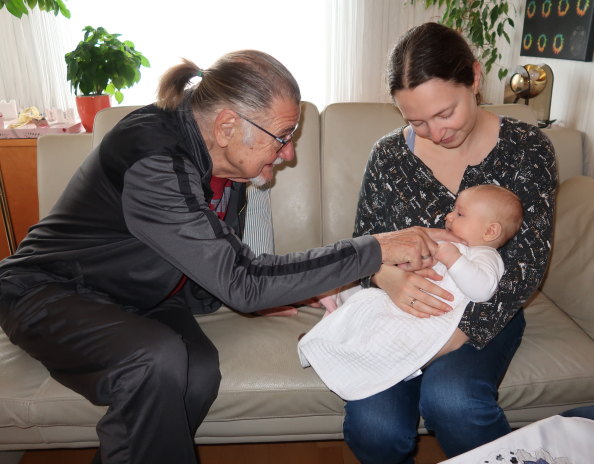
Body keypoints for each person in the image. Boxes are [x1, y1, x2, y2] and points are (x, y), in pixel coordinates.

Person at [0, 50, 451, 464]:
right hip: (49, 291)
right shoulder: (152, 156)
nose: (289, 153)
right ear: (227, 126)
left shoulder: (227, 167)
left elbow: (224, 267)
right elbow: (244, 279)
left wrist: (286, 288)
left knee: (196, 373)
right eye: (282, 137)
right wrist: (376, 248)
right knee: (153, 361)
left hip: (141, 296)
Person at [343, 22, 558, 461]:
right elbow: (364, 244)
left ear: (475, 79)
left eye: (445, 113)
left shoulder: (528, 148)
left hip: (485, 308)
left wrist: (457, 337)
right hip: (399, 314)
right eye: (416, 121)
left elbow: (528, 264)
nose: (436, 132)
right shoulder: (388, 156)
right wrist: (386, 278)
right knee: (373, 425)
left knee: (453, 400)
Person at [298, 184, 523, 401]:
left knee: (381, 330)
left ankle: (332, 346)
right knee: (365, 304)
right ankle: (324, 338)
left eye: (460, 214)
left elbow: (482, 290)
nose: (449, 216)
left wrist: (451, 258)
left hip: (428, 317)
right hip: (406, 299)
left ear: (490, 231)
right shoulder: (454, 245)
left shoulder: (486, 256)